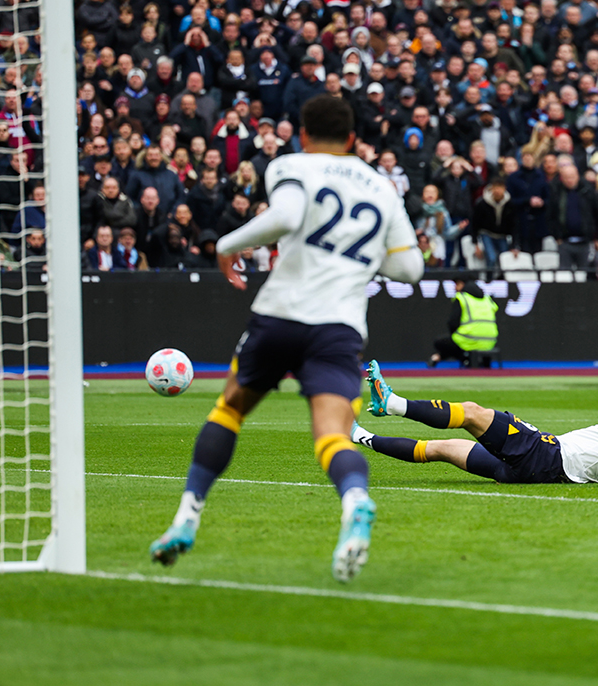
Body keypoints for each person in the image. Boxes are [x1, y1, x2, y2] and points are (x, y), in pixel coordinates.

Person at [148, 95, 424, 583]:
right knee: (333, 435)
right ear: (353, 139)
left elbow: (287, 217)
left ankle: (185, 520)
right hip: (339, 327)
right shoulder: (382, 188)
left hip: (280, 316)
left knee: (230, 409)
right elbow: (409, 267)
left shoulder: (291, 164)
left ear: (303, 132)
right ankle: (356, 501)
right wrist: (350, 258)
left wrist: (227, 245)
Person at [355, 366, 598, 484]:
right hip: (534, 473)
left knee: (472, 413)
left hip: (545, 455)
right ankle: (359, 436)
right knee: (441, 449)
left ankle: (392, 404)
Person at [428, 278, 499, 368]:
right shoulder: (488, 299)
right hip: (490, 341)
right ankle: (479, 362)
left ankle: (466, 360)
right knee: (456, 342)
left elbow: (453, 323)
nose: (455, 288)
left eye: (457, 284)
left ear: (463, 285)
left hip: (467, 340)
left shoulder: (462, 298)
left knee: (441, 342)